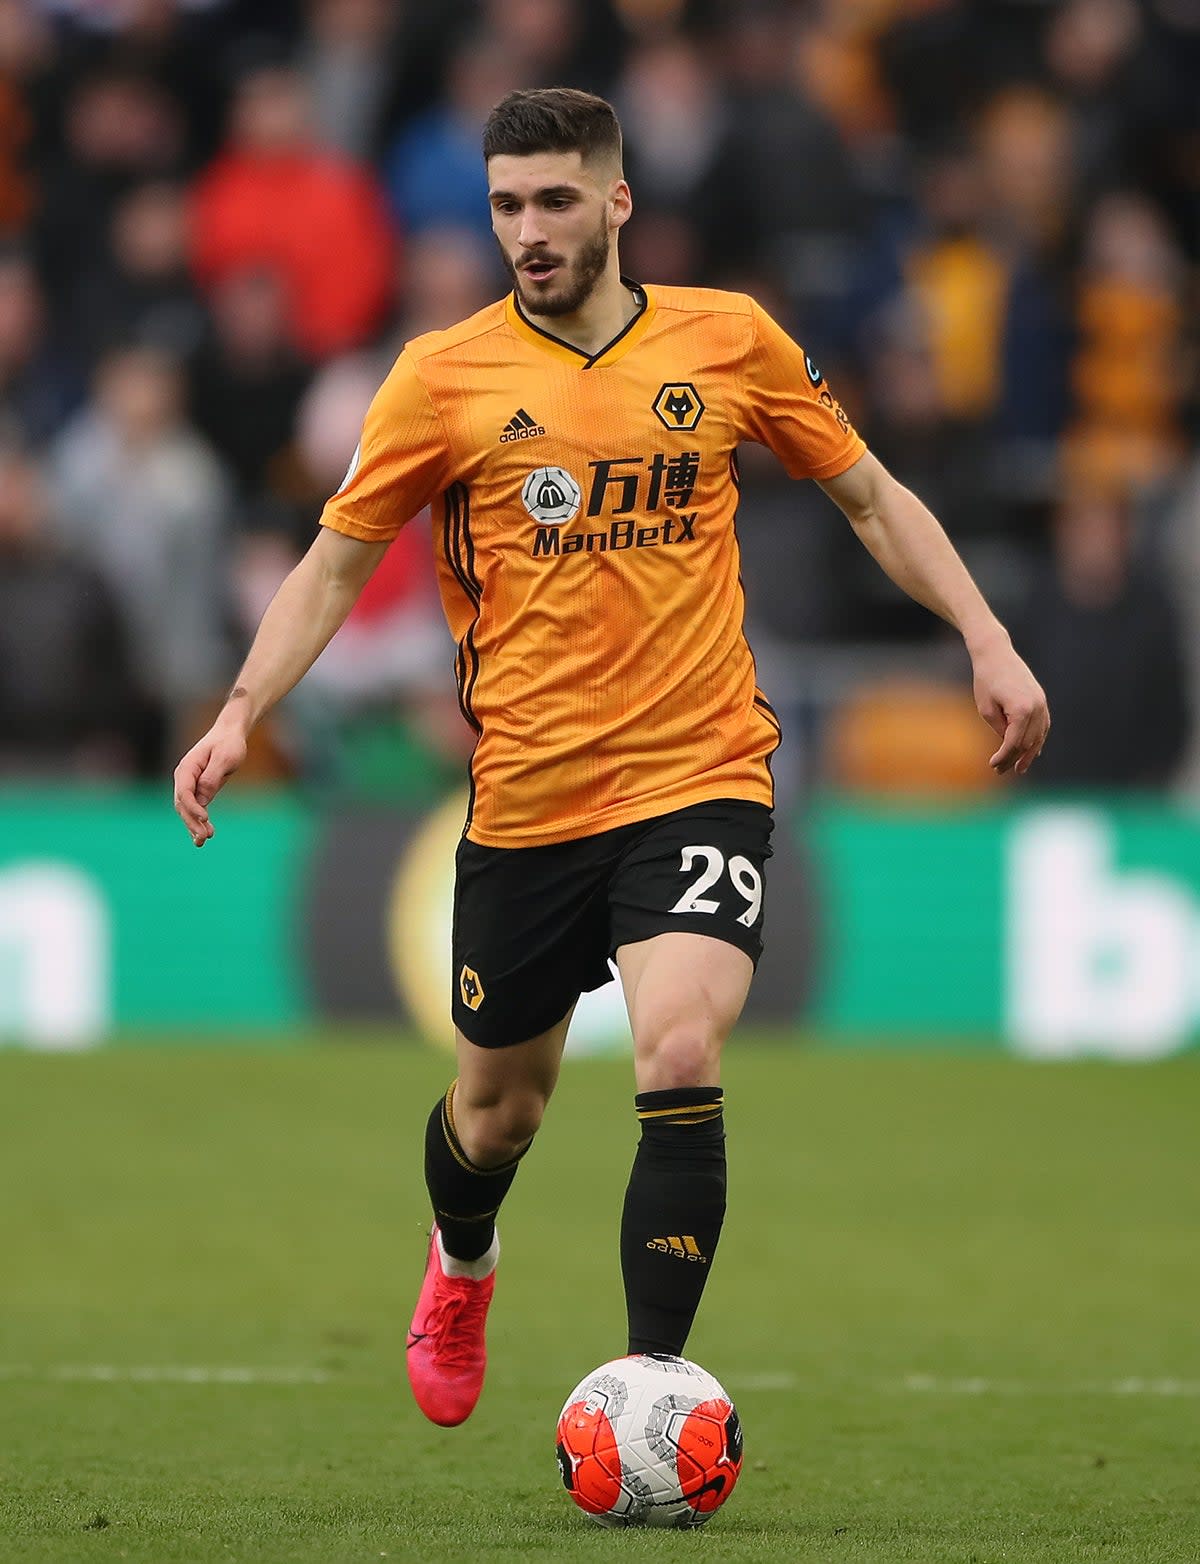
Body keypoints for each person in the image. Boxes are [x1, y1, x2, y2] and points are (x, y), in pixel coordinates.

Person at [173, 87, 1049, 1429]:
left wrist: (985, 636)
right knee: (497, 1116)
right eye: (508, 206)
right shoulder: (442, 377)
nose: (529, 231)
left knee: (680, 1050)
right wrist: (242, 709)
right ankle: (462, 1260)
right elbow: (337, 558)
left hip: (700, 770)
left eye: (556, 201)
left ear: (617, 201)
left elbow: (868, 492)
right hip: (528, 801)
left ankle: (653, 1391)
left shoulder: (729, 339)